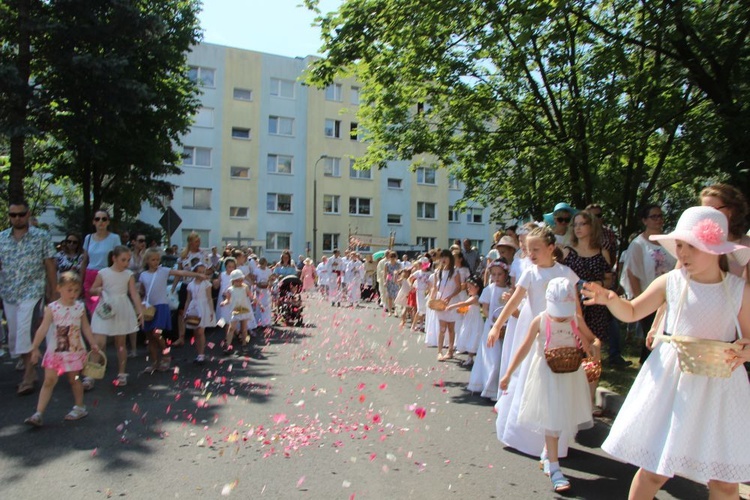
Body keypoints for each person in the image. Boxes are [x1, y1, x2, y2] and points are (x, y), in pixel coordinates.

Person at [582, 206, 750, 499]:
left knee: (724, 481)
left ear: (715, 249)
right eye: (680, 246)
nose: (682, 254)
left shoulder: (738, 290)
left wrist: (746, 352)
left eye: (690, 247)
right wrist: (610, 299)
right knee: (655, 469)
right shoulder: (670, 282)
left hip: (720, 388)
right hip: (675, 386)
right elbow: (633, 310)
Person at [488, 226, 581, 458]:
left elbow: (576, 308)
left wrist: (582, 338)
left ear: (551, 248)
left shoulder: (566, 273)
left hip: (560, 334)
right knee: (529, 378)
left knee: (555, 384)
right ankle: (524, 436)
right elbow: (515, 301)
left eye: (536, 249)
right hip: (534, 329)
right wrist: (498, 324)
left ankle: (551, 443)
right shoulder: (530, 273)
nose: (531, 254)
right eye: (528, 249)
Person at [500, 277, 600, 493]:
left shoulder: (574, 319)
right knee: (552, 419)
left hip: (570, 374)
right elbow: (524, 348)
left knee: (563, 416)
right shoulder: (541, 320)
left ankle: (548, 453)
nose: (561, 316)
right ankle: (555, 468)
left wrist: (594, 347)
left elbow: (591, 339)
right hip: (547, 375)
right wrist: (508, 373)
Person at [24, 272, 100, 426]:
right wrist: (35, 347)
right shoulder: (52, 308)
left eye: (76, 290)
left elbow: (85, 327)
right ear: (59, 288)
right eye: (69, 290)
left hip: (74, 350)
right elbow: (43, 328)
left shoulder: (79, 307)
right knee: (49, 381)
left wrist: (93, 343)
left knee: (74, 379)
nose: (73, 294)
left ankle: (80, 407)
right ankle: (38, 413)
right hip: (56, 351)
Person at [0, 200, 57, 395]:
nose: (17, 218)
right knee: (15, 335)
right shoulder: (1, 238)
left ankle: (28, 375)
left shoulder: (41, 237)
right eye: (13, 215)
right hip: (8, 291)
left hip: (32, 291)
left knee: (25, 330)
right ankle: (29, 368)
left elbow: (50, 264)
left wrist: (53, 291)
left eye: (21, 214)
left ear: (27, 213)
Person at [562, 210, 613, 411]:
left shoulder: (602, 252)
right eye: (575, 224)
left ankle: (590, 398)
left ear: (591, 226)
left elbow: (610, 279)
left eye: (583, 223)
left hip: (595, 306)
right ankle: (571, 398)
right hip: (573, 306)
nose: (579, 227)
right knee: (572, 350)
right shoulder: (567, 251)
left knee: (594, 351)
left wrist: (596, 283)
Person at [623, 204, 676, 363]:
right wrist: (640, 301)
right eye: (654, 216)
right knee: (652, 338)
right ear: (644, 220)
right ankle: (647, 370)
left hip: (669, 299)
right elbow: (632, 273)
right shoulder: (638, 244)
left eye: (660, 216)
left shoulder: (669, 241)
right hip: (649, 298)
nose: (659, 220)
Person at [139, 248, 205, 373]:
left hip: (161, 306)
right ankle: (154, 363)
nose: (156, 262)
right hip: (149, 308)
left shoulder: (163, 271)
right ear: (147, 261)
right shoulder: (143, 275)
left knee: (156, 333)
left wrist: (196, 274)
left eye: (157, 259)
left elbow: (179, 273)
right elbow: (142, 291)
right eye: (153, 259)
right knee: (150, 337)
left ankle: (165, 354)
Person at [87, 245, 144, 388]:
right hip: (105, 307)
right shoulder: (103, 273)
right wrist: (98, 290)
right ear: (114, 258)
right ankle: (90, 375)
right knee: (98, 343)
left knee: (121, 343)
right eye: (123, 260)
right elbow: (91, 290)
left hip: (122, 308)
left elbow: (134, 293)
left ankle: (121, 373)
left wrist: (140, 310)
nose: (126, 263)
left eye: (128, 260)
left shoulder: (128, 274)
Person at [467, 260, 511, 396]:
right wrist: (492, 318)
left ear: (506, 274)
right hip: (492, 326)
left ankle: (498, 388)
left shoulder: (509, 290)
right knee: (492, 357)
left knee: (502, 357)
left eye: (500, 274)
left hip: (506, 326)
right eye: (494, 275)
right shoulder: (489, 289)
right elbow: (484, 308)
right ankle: (487, 386)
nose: (496, 277)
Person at [174, 232, 211, 347]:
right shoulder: (184, 255)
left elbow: (210, 269)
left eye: (199, 241)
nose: (198, 243)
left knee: (198, 308)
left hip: (199, 285)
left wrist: (203, 274)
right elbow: (178, 272)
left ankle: (198, 333)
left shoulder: (203, 254)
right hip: (186, 285)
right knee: (181, 310)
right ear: (190, 242)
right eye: (196, 241)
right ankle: (181, 337)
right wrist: (174, 286)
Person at [81, 209, 121, 315]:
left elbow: (118, 260)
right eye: (97, 219)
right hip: (90, 276)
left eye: (104, 219)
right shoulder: (88, 238)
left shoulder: (114, 238)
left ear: (108, 222)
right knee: (92, 309)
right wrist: (81, 281)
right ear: (93, 222)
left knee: (105, 307)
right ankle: (93, 330)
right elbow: (85, 260)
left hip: (106, 276)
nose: (101, 221)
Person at [431, 249, 462, 361]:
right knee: (442, 328)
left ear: (450, 259)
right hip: (440, 302)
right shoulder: (437, 272)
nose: (444, 259)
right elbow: (434, 287)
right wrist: (432, 299)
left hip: (451, 302)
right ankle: (439, 351)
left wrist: (450, 297)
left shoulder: (455, 272)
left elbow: (459, 287)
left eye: (446, 257)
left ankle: (450, 351)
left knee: (451, 328)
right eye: (442, 257)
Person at [183, 262, 216, 364]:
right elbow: (188, 299)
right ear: (195, 273)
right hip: (193, 307)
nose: (202, 274)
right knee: (195, 330)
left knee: (200, 331)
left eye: (204, 272)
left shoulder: (206, 284)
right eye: (200, 272)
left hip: (203, 306)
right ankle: (198, 353)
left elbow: (209, 298)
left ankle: (201, 354)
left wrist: (211, 311)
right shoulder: (190, 285)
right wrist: (185, 311)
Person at [450, 274, 484, 366]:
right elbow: (467, 307)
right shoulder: (471, 298)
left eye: (470, 287)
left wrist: (452, 306)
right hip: (470, 320)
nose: (468, 289)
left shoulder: (475, 298)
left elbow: (464, 303)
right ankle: (470, 357)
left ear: (477, 288)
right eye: (468, 287)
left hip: (475, 321)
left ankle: (471, 357)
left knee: (473, 336)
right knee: (469, 335)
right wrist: (461, 310)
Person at [220, 268, 255, 354]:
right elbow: (228, 300)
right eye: (237, 281)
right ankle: (227, 345)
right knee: (231, 328)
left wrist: (256, 302)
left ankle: (244, 344)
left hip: (244, 309)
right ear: (233, 281)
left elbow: (251, 296)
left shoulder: (245, 287)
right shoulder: (230, 289)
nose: (239, 282)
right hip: (235, 310)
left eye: (241, 280)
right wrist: (224, 303)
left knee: (244, 328)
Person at [253, 258, 273, 328]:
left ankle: (266, 321)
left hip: (266, 289)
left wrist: (269, 284)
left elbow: (270, 279)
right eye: (262, 265)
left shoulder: (268, 270)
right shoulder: (256, 270)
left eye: (264, 264)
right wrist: (257, 285)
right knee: (260, 304)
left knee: (266, 305)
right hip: (259, 289)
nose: (263, 266)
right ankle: (259, 321)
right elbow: (254, 280)